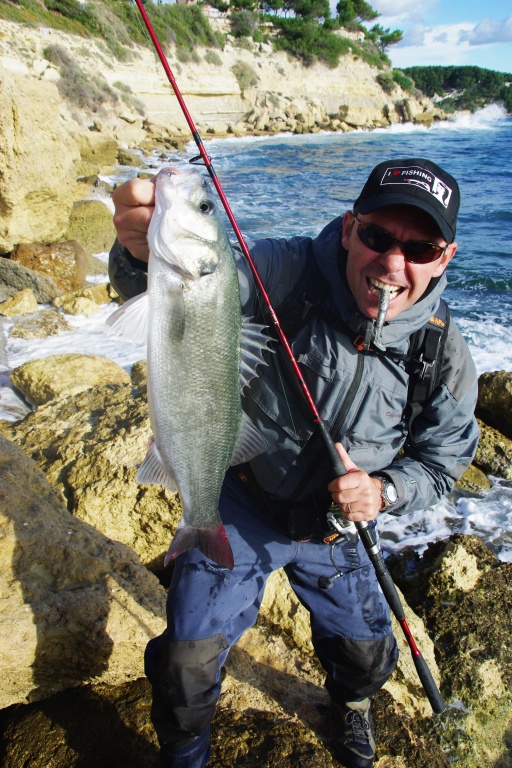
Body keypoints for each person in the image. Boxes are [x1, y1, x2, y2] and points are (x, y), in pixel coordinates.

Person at [109, 157, 479, 768]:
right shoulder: (285, 270)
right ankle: (185, 750)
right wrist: (137, 255)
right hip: (244, 501)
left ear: (446, 256)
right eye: (378, 236)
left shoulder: (442, 352)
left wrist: (382, 493)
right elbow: (192, 294)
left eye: (420, 248)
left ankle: (352, 708)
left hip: (338, 532)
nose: (392, 263)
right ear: (347, 229)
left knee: (365, 654)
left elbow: (442, 462)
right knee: (186, 657)